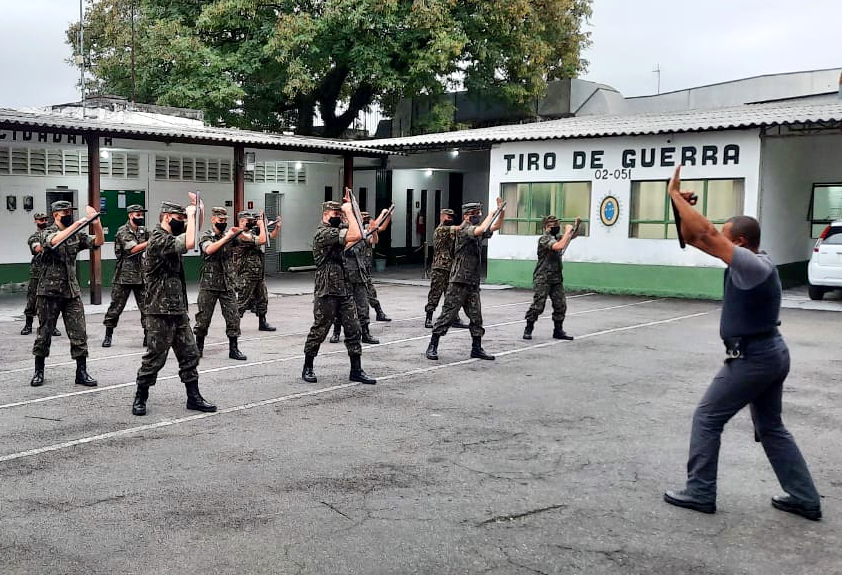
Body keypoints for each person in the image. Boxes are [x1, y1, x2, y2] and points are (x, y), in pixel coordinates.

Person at [663, 166, 821, 521]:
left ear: (740, 243)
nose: (718, 238)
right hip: (768, 353)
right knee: (771, 427)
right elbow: (695, 237)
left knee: (707, 416)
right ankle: (804, 498)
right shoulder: (748, 261)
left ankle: (700, 491)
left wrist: (674, 195)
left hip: (754, 357)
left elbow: (704, 232)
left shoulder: (752, 266)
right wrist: (678, 208)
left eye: (725, 236)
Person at [132, 197, 216, 416]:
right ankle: (140, 397)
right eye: (179, 218)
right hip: (158, 310)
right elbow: (188, 243)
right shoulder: (158, 239)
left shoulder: (168, 235)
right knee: (154, 358)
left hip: (177, 309)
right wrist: (190, 213)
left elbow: (193, 230)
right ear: (168, 217)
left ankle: (193, 397)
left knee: (189, 354)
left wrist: (199, 208)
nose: (183, 222)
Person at [302, 194, 377, 385]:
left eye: (339, 213)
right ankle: (308, 366)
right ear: (326, 214)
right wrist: (349, 211)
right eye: (336, 213)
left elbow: (358, 228)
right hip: (327, 288)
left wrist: (352, 206)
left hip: (344, 287)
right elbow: (357, 234)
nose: (339, 216)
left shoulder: (338, 229)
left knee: (354, 328)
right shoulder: (323, 233)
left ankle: (356, 370)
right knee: (320, 329)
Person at [30, 200, 103, 387]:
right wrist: (80, 222)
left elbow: (98, 242)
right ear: (55, 215)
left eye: (70, 211)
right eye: (65, 212)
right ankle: (39, 371)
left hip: (71, 292)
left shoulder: (76, 235)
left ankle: (82, 372)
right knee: (44, 333)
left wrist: (96, 223)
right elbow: (53, 241)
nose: (69, 214)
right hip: (49, 292)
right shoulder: (46, 231)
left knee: (79, 333)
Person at [425, 199, 504, 361]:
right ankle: (432, 345)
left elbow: (495, 227)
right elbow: (482, 228)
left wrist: (501, 212)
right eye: (476, 214)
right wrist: (492, 213)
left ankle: (477, 348)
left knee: (476, 317)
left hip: (472, 282)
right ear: (467, 216)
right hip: (458, 281)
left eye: (480, 214)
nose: (478, 216)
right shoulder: (464, 229)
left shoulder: (476, 230)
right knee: (447, 315)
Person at [329, 210, 393, 344]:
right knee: (341, 306)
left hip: (360, 275)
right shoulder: (341, 231)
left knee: (363, 306)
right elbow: (346, 244)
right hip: (344, 276)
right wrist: (360, 234)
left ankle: (365, 333)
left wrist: (374, 230)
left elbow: (373, 240)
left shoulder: (361, 231)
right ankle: (336, 332)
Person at [193, 207, 247, 361]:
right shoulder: (206, 236)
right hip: (209, 285)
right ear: (213, 219)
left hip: (227, 284)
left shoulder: (229, 235)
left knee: (233, 318)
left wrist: (243, 229)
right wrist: (228, 237)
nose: (223, 222)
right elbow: (209, 249)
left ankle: (234, 348)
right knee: (203, 319)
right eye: (220, 220)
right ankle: (198, 348)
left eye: (225, 220)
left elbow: (252, 240)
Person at [102, 205, 149, 347]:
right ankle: (108, 335)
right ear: (130, 215)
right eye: (137, 215)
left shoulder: (143, 231)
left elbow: (157, 239)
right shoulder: (123, 231)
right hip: (124, 275)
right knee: (116, 307)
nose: (140, 217)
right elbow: (132, 248)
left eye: (141, 215)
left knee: (147, 307)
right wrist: (151, 242)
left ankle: (148, 335)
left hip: (141, 275)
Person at [523, 215, 575, 341]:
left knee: (560, 304)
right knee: (538, 305)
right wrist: (567, 231)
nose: (557, 228)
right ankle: (528, 328)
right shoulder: (544, 239)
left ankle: (558, 330)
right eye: (554, 226)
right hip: (543, 278)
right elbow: (559, 246)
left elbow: (570, 237)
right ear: (547, 227)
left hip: (556, 278)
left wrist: (575, 228)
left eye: (557, 225)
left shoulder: (556, 237)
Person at [234, 210, 281, 331]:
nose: (251, 223)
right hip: (246, 273)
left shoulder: (252, 232)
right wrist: (261, 225)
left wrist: (276, 227)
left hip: (258, 272)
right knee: (242, 300)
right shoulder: (238, 234)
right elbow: (262, 240)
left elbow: (270, 236)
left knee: (262, 298)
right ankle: (234, 324)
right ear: (241, 221)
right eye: (248, 221)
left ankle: (262, 322)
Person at [424, 208, 469, 329]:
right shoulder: (441, 229)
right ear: (442, 217)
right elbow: (459, 228)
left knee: (451, 295)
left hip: (450, 267)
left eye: (451, 217)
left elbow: (459, 234)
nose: (450, 219)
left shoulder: (450, 231)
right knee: (435, 293)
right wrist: (466, 221)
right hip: (440, 268)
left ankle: (454, 317)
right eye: (448, 217)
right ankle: (428, 317)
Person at [21, 212, 61, 338]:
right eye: (40, 220)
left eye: (44, 219)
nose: (43, 222)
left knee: (52, 300)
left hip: (51, 272)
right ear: (36, 221)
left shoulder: (52, 233)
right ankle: (28, 325)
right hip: (37, 272)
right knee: (32, 299)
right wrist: (48, 243)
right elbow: (36, 248)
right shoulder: (34, 237)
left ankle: (52, 326)